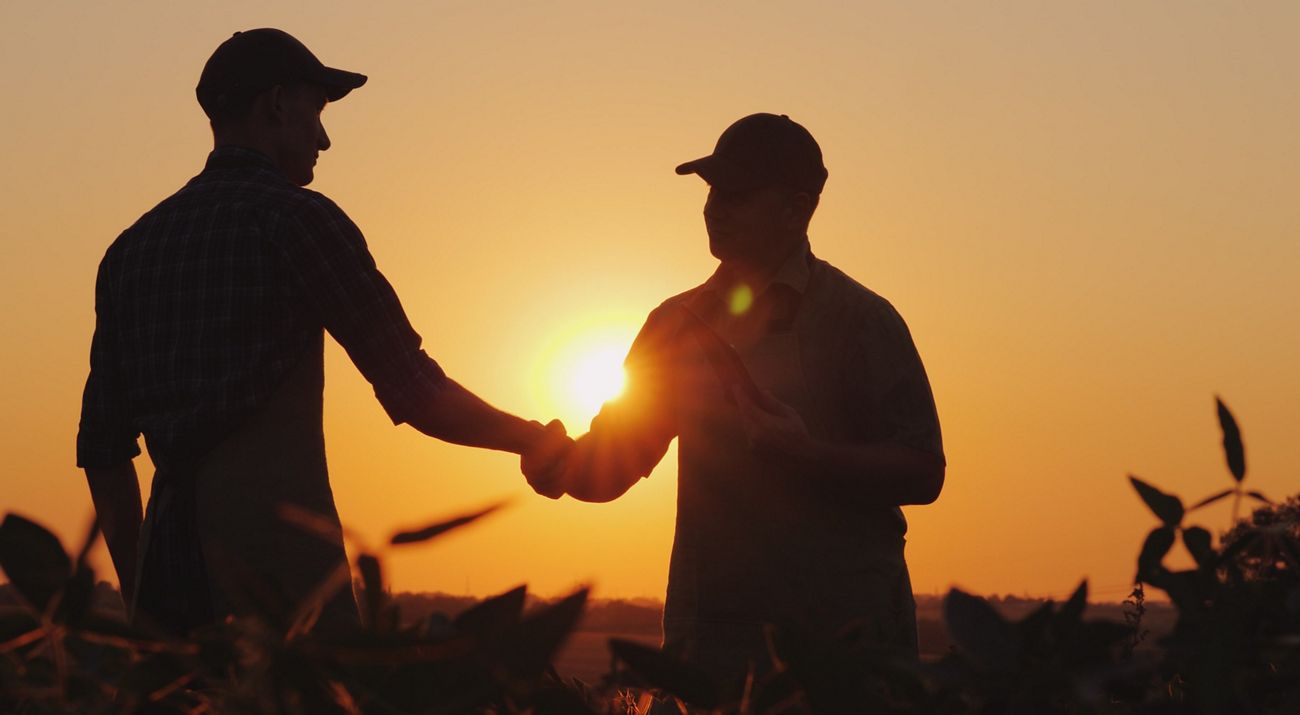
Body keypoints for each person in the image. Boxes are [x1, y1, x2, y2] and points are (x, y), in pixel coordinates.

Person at [77, 28, 570, 636]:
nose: (325, 138)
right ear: (277, 104)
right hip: (286, 589)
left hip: (168, 579)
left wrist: (139, 598)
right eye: (318, 111)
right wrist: (532, 441)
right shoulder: (299, 221)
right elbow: (415, 390)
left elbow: (103, 449)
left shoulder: (130, 251)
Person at [528, 113, 945, 687]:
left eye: (738, 194)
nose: (713, 207)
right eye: (711, 190)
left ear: (798, 209)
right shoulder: (675, 324)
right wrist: (551, 460)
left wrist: (806, 455)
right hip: (717, 653)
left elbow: (924, 474)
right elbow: (610, 469)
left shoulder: (862, 320)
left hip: (850, 653)